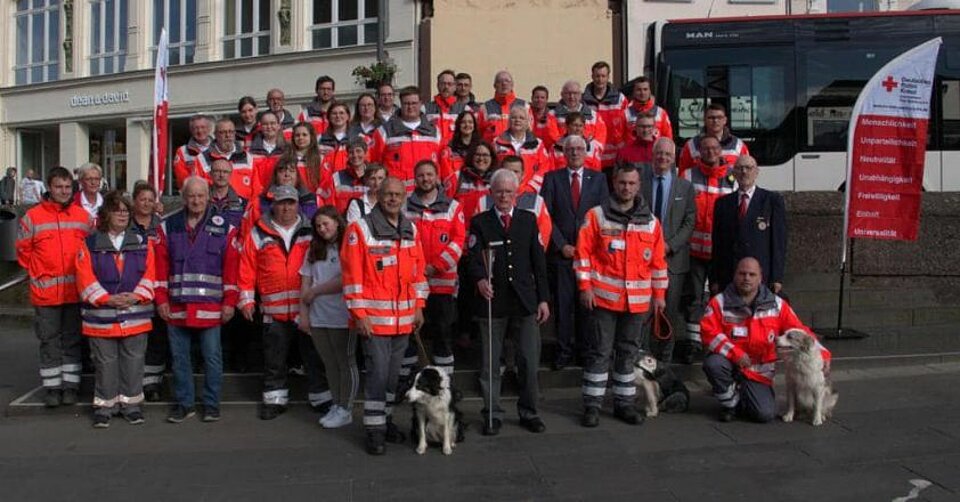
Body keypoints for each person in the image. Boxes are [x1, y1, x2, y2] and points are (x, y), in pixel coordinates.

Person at [576, 163, 668, 427]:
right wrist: (585, 288)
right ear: (614, 184)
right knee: (599, 353)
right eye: (622, 183)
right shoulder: (596, 216)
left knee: (628, 354)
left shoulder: (651, 222)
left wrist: (659, 296)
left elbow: (659, 263)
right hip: (603, 299)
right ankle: (592, 406)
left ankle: (624, 404)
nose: (626, 188)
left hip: (637, 303)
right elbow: (583, 255)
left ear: (639, 186)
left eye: (631, 183)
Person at [341, 177, 427, 455]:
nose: (392, 199)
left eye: (397, 195)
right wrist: (360, 314)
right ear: (377, 195)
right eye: (387, 194)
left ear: (404, 197)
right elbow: (352, 277)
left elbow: (418, 274)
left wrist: (418, 307)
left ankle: (386, 420)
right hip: (374, 324)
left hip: (403, 322)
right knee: (378, 376)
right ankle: (374, 430)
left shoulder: (410, 228)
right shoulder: (361, 229)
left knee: (393, 377)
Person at [467, 169, 550, 436]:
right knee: (491, 364)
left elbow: (539, 262)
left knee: (528, 360)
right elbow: (472, 257)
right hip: (493, 302)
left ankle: (530, 412)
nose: (504, 196)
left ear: (516, 194)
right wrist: (480, 279)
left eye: (509, 192)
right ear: (491, 193)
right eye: (499, 191)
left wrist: (543, 299)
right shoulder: (480, 222)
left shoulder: (528, 220)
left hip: (524, 301)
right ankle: (492, 413)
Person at [701, 257, 831, 423]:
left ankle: (743, 396)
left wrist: (823, 353)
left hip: (758, 371)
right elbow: (708, 332)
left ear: (760, 278)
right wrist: (735, 353)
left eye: (752, 274)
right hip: (730, 362)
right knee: (713, 364)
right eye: (742, 273)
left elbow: (801, 331)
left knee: (764, 414)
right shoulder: (718, 302)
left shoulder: (777, 304)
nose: (746, 278)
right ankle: (730, 404)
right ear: (735, 276)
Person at [239, 184, 330, 420]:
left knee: (314, 355)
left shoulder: (312, 230)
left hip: (307, 308)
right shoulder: (258, 232)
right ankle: (274, 399)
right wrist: (247, 299)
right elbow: (247, 267)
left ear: (298, 204)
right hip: (273, 309)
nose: (287, 207)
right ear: (274, 205)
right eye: (282, 203)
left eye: (291, 202)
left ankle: (320, 397)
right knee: (274, 358)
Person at [155, 176, 240, 423]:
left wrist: (229, 301)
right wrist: (160, 299)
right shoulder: (167, 226)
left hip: (210, 308)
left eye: (201, 195)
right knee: (180, 359)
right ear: (183, 198)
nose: (196, 200)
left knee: (212, 358)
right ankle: (184, 404)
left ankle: (212, 404)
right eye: (191, 195)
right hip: (176, 306)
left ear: (209, 197)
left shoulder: (225, 226)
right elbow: (160, 267)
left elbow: (231, 267)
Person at [74, 191, 156, 428]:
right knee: (105, 363)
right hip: (101, 317)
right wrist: (107, 299)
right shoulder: (89, 244)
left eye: (125, 210)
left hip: (135, 314)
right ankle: (104, 407)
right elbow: (84, 277)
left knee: (134, 362)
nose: (122, 214)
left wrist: (136, 296)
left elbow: (151, 273)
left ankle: (131, 406)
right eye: (116, 209)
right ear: (105, 214)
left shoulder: (142, 241)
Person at [16, 166, 92, 407]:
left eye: (68, 187)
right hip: (46, 293)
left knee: (72, 340)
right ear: (49, 187)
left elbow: (91, 250)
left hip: (74, 292)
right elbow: (22, 251)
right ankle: (52, 388)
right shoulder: (33, 217)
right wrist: (38, 272)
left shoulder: (83, 217)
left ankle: (70, 387)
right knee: (49, 342)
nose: (63, 191)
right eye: (59, 187)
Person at [540, 135, 609, 370]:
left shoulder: (599, 180)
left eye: (580, 149)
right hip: (562, 255)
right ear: (564, 153)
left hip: (589, 257)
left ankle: (585, 351)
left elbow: (603, 216)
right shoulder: (552, 179)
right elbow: (546, 216)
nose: (575, 153)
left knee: (587, 307)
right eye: (571, 149)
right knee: (563, 305)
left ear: (587, 152)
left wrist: (584, 248)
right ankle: (563, 351)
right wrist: (562, 245)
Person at [402, 160, 466, 377]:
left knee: (443, 332)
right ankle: (407, 379)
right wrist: (415, 269)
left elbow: (458, 241)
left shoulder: (453, 206)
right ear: (415, 178)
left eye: (429, 174)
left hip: (442, 285)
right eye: (420, 175)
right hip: (411, 284)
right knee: (410, 333)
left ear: (437, 176)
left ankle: (444, 380)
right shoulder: (404, 207)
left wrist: (436, 267)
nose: (425, 179)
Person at [677, 135, 736, 364]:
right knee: (694, 297)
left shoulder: (733, 178)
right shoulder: (688, 176)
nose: (710, 152)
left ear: (721, 150)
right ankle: (693, 343)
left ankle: (717, 342)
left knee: (720, 299)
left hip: (721, 252)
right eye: (706, 148)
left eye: (714, 148)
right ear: (699, 152)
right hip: (694, 251)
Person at [641, 138, 696, 363]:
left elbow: (690, 221)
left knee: (668, 314)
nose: (662, 157)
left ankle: (664, 361)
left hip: (673, 260)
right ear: (652, 156)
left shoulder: (685, 186)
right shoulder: (640, 182)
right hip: (643, 259)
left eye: (667, 154)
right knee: (643, 312)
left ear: (674, 158)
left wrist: (669, 245)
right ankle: (643, 357)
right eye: (659, 153)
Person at [299, 207, 355, 429]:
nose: (322, 229)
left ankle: (346, 407)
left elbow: (346, 279)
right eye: (318, 226)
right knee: (330, 363)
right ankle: (337, 403)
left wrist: (316, 291)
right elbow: (305, 281)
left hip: (342, 314)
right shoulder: (314, 248)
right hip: (319, 315)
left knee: (345, 362)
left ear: (337, 222)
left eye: (326, 224)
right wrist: (304, 313)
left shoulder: (348, 245)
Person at [710, 155, 786, 294]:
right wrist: (714, 278)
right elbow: (717, 244)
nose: (744, 172)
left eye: (749, 168)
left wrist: (777, 277)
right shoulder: (722, 203)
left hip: (761, 275)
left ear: (757, 172)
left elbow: (778, 243)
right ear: (733, 173)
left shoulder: (772, 201)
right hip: (729, 275)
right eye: (739, 168)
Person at [130, 183, 168, 402]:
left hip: (157, 288)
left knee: (157, 338)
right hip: (134, 289)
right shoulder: (126, 226)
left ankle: (152, 382)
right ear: (134, 201)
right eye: (142, 199)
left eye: (150, 200)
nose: (146, 203)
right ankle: (135, 381)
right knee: (136, 338)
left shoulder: (162, 226)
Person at [372, 86, 442, 191]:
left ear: (420, 104)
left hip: (428, 194)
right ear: (400, 104)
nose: (410, 107)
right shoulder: (385, 131)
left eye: (414, 103)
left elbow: (441, 164)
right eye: (406, 104)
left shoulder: (434, 131)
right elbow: (375, 164)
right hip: (396, 196)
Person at [678, 103, 749, 178]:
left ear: (725, 120)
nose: (715, 120)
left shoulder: (739, 146)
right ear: (704, 120)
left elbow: (747, 174)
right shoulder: (691, 146)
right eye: (711, 117)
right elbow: (682, 177)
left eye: (719, 117)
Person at [493, 105, 552, 194]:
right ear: (509, 121)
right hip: (503, 192)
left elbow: (544, 169)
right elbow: (493, 167)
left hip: (530, 192)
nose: (518, 120)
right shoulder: (497, 142)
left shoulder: (537, 144)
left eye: (522, 118)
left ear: (527, 122)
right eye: (514, 117)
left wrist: (530, 188)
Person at [582, 61, 629, 168]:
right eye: (597, 76)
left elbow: (627, 126)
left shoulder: (620, 99)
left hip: (615, 156)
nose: (600, 79)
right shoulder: (583, 101)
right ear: (592, 77)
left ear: (608, 77)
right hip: (591, 156)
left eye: (603, 76)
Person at [197, 118, 256, 200]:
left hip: (244, 210)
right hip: (215, 209)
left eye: (230, 132)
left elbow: (256, 192)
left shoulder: (247, 158)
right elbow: (196, 190)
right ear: (215, 135)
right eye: (223, 132)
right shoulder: (202, 159)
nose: (227, 135)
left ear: (235, 133)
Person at [477, 70, 532, 143]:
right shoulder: (484, 108)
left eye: (507, 81)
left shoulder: (524, 106)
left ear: (512, 85)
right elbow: (479, 133)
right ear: (494, 86)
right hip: (492, 151)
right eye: (500, 81)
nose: (504, 84)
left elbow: (530, 131)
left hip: (517, 151)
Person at [551, 80, 607, 147]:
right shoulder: (552, 115)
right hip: (561, 155)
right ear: (562, 95)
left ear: (580, 95)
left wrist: (587, 149)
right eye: (568, 93)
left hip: (589, 155)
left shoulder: (593, 116)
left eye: (575, 93)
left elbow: (600, 138)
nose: (571, 97)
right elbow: (552, 138)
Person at [323, 139, 370, 214]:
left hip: (368, 222)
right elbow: (330, 204)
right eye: (351, 152)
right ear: (347, 155)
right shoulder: (336, 177)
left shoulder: (373, 176)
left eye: (358, 151)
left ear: (365, 153)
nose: (355, 155)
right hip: (343, 222)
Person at [424, 69, 468, 146]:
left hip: (455, 153)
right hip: (434, 152)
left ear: (455, 87)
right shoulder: (425, 109)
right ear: (437, 85)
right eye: (443, 83)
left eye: (449, 84)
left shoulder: (465, 110)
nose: (446, 87)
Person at [279, 122, 325, 197]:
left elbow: (324, 183)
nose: (301, 138)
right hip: (291, 200)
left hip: (312, 201)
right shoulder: (286, 158)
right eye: (297, 135)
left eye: (304, 135)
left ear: (311, 137)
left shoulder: (320, 159)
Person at [624, 76, 673, 143]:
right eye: (639, 90)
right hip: (633, 152)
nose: (642, 93)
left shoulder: (661, 113)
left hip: (654, 152)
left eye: (645, 89)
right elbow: (619, 140)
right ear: (634, 92)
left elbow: (668, 138)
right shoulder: (625, 114)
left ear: (650, 91)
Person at [249, 111, 286, 194]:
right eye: (265, 124)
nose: (269, 127)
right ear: (260, 127)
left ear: (278, 126)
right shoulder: (251, 152)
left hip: (281, 195)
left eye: (272, 123)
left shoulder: (287, 150)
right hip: (259, 195)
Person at [173, 114, 214, 189]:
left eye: (203, 127)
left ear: (209, 129)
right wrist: (208, 183)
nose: (200, 131)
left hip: (217, 195)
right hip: (195, 194)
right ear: (191, 130)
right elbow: (182, 179)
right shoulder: (182, 151)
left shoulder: (219, 148)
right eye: (196, 128)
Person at [439, 110, 481, 179]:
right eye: (463, 122)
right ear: (458, 125)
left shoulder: (480, 148)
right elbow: (447, 176)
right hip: (455, 187)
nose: (467, 125)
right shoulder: (449, 150)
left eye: (470, 122)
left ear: (474, 125)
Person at [209, 159, 248, 229]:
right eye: (217, 171)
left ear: (230, 175)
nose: (221, 175)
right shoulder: (201, 200)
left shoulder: (243, 204)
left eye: (225, 172)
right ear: (210, 174)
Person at [317, 103, 352, 174]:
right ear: (329, 117)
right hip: (327, 180)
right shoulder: (319, 139)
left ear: (348, 116)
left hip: (350, 179)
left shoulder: (357, 138)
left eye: (341, 113)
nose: (338, 116)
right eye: (334, 113)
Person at [530, 85, 561, 151]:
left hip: (549, 152)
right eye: (536, 97)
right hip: (532, 151)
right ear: (532, 98)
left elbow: (556, 138)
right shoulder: (526, 116)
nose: (539, 100)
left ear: (546, 99)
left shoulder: (553, 117)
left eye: (542, 97)